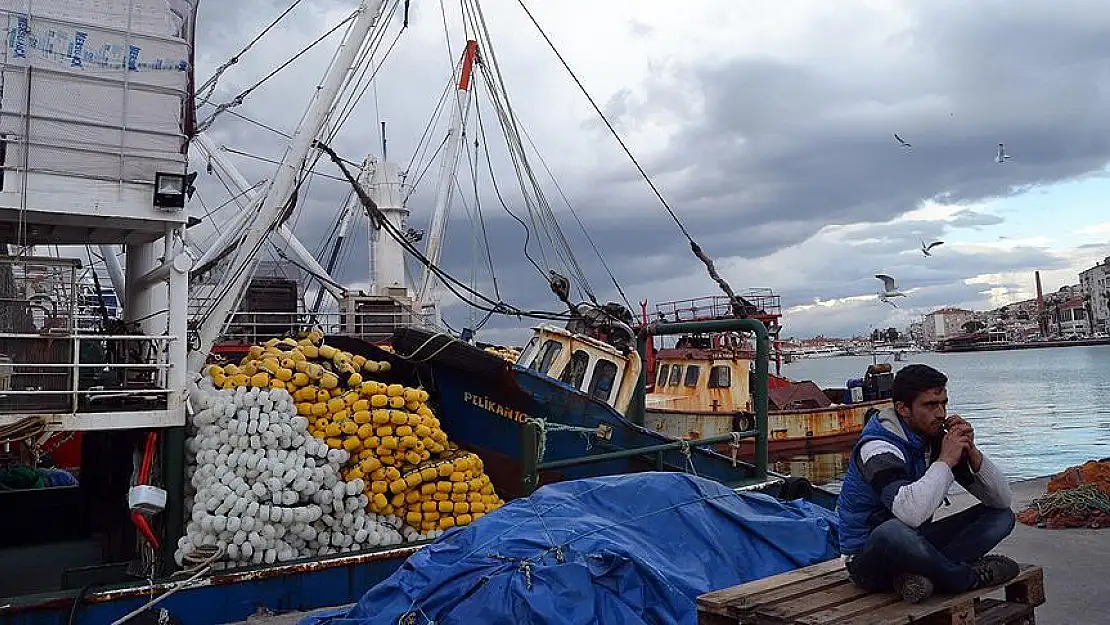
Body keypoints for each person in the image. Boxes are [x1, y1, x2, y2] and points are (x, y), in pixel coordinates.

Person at [838, 364, 1019, 603]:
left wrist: (973, 454)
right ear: (903, 408)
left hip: (918, 544)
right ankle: (963, 579)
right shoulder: (877, 447)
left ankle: (919, 577)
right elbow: (911, 513)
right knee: (892, 531)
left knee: (1002, 516)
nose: (941, 414)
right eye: (930, 406)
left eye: (944, 403)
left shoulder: (935, 439)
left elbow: (1001, 499)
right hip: (868, 559)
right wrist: (946, 460)